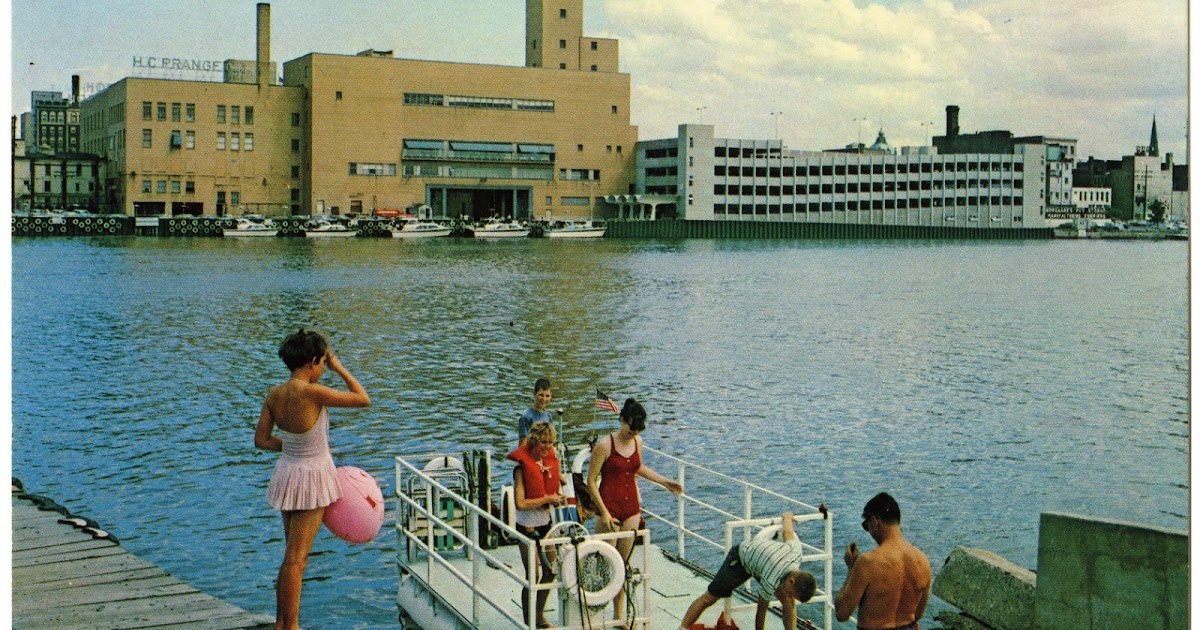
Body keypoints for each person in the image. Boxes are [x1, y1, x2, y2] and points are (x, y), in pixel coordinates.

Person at [254, 329, 370, 630]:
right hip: (311, 478)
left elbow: (262, 441)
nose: (323, 368)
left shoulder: (274, 394)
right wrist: (340, 367)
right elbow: (363, 399)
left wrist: (293, 445)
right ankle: (289, 626)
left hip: (288, 473)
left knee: (289, 556)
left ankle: (282, 622)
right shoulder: (313, 393)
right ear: (313, 361)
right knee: (297, 560)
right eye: (323, 362)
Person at [585, 398, 684, 627]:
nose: (633, 433)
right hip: (608, 507)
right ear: (621, 420)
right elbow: (591, 481)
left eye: (637, 430)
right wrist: (604, 512)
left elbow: (637, 467)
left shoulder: (637, 442)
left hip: (631, 509)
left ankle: (618, 616)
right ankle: (592, 612)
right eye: (631, 428)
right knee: (603, 564)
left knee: (621, 564)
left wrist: (665, 482)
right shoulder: (604, 445)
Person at [678, 511, 818, 630]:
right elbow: (761, 610)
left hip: (763, 564)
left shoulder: (795, 552)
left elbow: (787, 531)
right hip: (740, 559)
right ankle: (682, 628)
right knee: (710, 598)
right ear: (792, 581)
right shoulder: (772, 578)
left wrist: (787, 516)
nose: (788, 593)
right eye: (791, 591)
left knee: (789, 602)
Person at [834, 493, 932, 630]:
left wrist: (851, 568)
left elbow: (841, 613)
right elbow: (918, 614)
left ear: (874, 521)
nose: (869, 532)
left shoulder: (868, 562)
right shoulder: (923, 561)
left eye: (866, 526)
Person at [508, 421, 566, 628]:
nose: (547, 448)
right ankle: (528, 621)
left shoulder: (548, 461)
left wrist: (557, 494)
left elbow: (556, 485)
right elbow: (521, 504)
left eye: (550, 444)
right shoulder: (521, 469)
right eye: (543, 443)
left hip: (546, 523)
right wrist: (547, 499)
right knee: (533, 575)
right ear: (534, 441)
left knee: (551, 571)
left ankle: (538, 615)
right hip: (527, 527)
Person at [518, 378, 554, 445]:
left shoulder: (549, 417)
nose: (544, 399)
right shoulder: (526, 417)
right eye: (541, 395)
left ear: (551, 397)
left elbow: (551, 441)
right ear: (534, 394)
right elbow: (522, 445)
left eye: (547, 396)